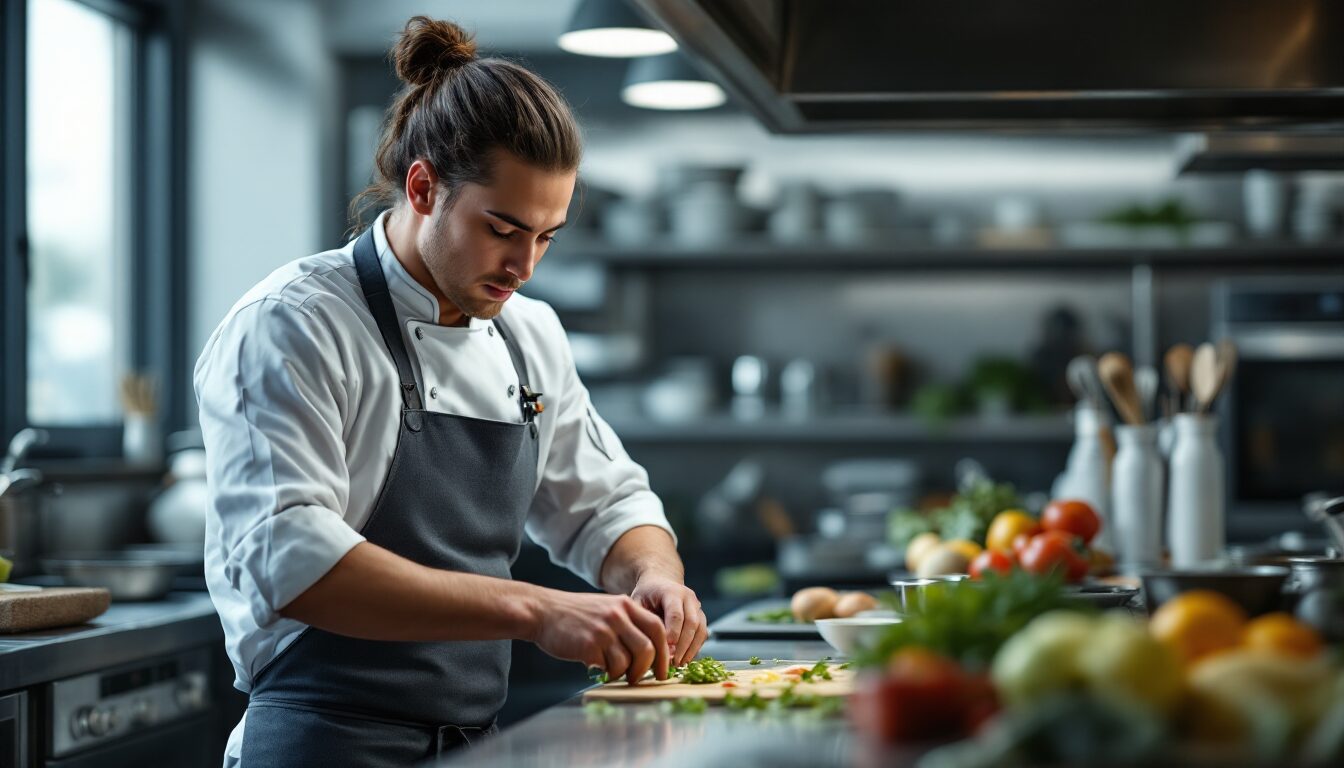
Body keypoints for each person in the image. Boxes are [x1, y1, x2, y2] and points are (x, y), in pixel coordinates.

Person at [195, 16, 706, 766]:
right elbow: (290, 561)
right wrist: (536, 609)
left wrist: (654, 576)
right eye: (502, 228)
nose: (524, 266)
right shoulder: (294, 324)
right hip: (323, 741)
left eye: (547, 236)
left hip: (472, 743)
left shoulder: (529, 334)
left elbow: (608, 504)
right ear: (423, 187)